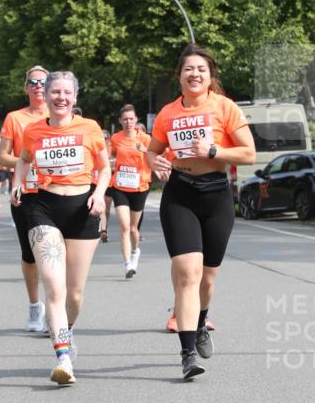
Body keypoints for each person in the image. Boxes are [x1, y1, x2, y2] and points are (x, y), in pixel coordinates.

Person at [146, 44, 256, 380]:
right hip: (179, 193)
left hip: (216, 194)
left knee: (207, 277)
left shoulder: (224, 108)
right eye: (189, 69)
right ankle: (187, 353)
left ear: (210, 77)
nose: (195, 75)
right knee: (187, 273)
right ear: (179, 75)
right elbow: (152, 153)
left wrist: (213, 149)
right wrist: (157, 163)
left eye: (201, 70)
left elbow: (249, 153)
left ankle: (201, 318)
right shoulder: (167, 113)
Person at [12, 71, 110, 386]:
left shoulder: (90, 128)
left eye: (67, 92)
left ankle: (67, 330)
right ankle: (63, 358)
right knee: (54, 287)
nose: (61, 98)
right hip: (44, 209)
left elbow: (105, 167)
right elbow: (24, 160)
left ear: (75, 97)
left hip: (83, 210)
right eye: (55, 92)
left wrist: (98, 194)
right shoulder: (33, 130)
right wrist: (17, 183)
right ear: (47, 95)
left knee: (75, 294)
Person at [0, 66, 50, 333]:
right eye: (33, 81)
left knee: (53, 252)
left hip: (56, 192)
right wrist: (27, 163)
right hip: (26, 192)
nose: (38, 86)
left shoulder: (60, 115)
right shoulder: (14, 118)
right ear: (26, 87)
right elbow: (2, 157)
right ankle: (34, 306)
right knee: (30, 254)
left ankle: (55, 310)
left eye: (43, 81)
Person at [109, 105, 152, 278]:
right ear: (120, 121)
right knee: (125, 227)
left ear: (136, 120)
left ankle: (135, 251)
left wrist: (146, 151)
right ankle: (127, 264)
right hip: (120, 187)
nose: (128, 122)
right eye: (125, 119)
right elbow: (110, 155)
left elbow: (161, 155)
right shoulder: (115, 138)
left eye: (131, 119)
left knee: (134, 229)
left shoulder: (145, 139)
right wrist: (110, 161)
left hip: (139, 187)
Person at [99, 129, 114, 242]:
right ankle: (103, 230)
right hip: (96, 181)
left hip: (110, 181)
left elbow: (119, 159)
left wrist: (113, 162)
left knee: (107, 209)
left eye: (105, 138)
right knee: (101, 208)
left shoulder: (111, 148)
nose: (103, 140)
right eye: (101, 138)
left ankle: (105, 227)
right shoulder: (96, 146)